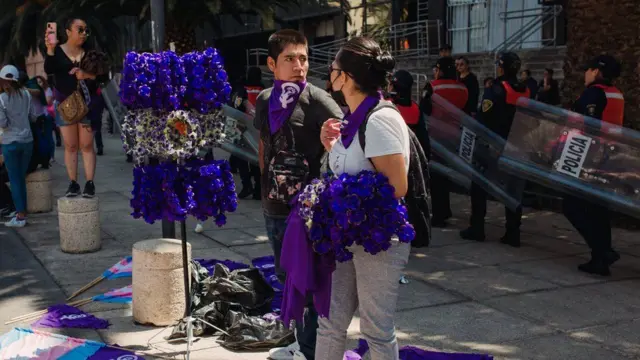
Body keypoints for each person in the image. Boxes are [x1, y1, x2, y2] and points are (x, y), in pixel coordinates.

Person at [317, 36, 409, 360]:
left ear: (348, 77)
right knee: (329, 322)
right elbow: (349, 170)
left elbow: (397, 186)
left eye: (334, 69)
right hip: (346, 236)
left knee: (376, 332)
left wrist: (342, 197)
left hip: (378, 240)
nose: (330, 73)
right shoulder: (351, 116)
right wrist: (329, 148)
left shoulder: (380, 119)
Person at [254, 29, 343, 360]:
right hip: (272, 206)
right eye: (289, 59)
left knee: (308, 280)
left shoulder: (318, 99)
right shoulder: (265, 100)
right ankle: (302, 342)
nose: (298, 66)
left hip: (306, 212)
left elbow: (345, 136)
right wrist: (266, 184)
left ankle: (310, 349)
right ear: (271, 64)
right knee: (283, 275)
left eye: (303, 58)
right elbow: (264, 142)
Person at [459, 52, 530, 247]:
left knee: (480, 185)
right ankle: (513, 233)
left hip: (493, 146)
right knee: (513, 191)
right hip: (518, 146)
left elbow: (483, 117)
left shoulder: (496, 90)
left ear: (501, 67)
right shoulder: (526, 90)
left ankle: (477, 228)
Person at [563, 55, 623, 276]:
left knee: (571, 206)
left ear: (596, 71)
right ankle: (600, 260)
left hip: (590, 157)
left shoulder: (594, 93)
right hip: (609, 156)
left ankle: (602, 251)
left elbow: (587, 125)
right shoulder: (615, 93)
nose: (584, 74)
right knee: (599, 210)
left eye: (587, 69)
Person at [44, 17, 103, 198]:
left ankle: (90, 183)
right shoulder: (58, 52)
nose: (84, 33)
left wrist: (84, 74)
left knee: (86, 145)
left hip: (87, 104)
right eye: (80, 29)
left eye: (86, 30)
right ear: (68, 31)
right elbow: (49, 69)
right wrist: (50, 49)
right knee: (70, 146)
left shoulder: (89, 53)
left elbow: (99, 77)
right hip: (65, 104)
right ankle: (73, 183)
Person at [420, 57, 468, 228]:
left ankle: (439, 215)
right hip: (456, 135)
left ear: (440, 70)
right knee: (447, 175)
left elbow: (424, 110)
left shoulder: (432, 86)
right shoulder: (463, 88)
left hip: (436, 136)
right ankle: (445, 210)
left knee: (436, 177)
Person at [0, 65, 38, 227]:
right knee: (20, 178)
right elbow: (33, 117)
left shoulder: (1, 99)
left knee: (15, 180)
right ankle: (22, 212)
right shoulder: (27, 96)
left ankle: (20, 216)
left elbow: (3, 123)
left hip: (10, 143)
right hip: (27, 142)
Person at [231, 66, 263, 199]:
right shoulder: (264, 89)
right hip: (258, 129)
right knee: (256, 159)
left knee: (241, 157)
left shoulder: (242, 89)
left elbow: (236, 106)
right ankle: (258, 189)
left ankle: (247, 185)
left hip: (242, 128)